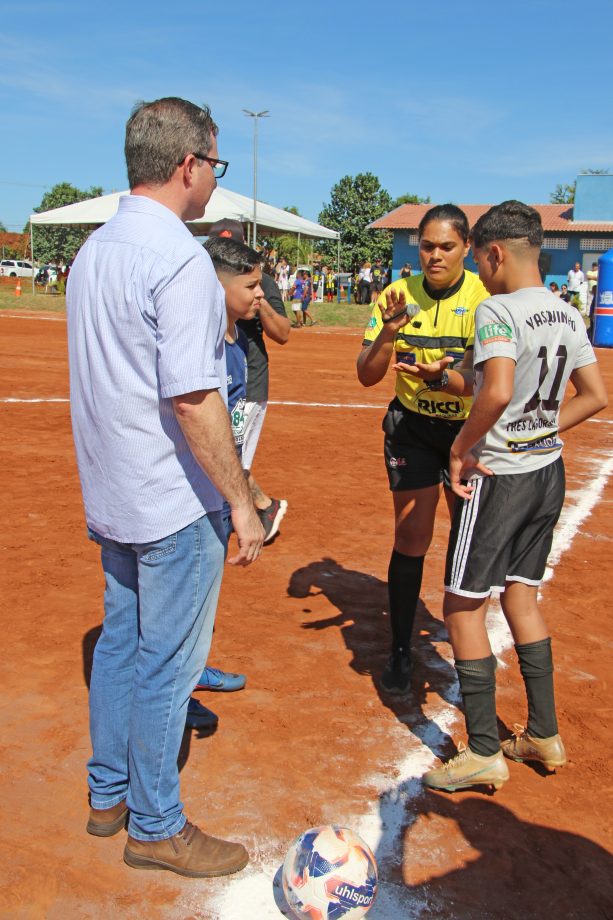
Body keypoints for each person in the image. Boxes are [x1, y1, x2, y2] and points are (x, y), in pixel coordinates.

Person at [67, 97, 263, 877]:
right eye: (214, 163)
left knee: (120, 645)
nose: (214, 177)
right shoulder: (179, 259)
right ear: (188, 164)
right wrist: (242, 504)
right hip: (172, 502)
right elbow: (193, 397)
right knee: (166, 665)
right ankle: (153, 824)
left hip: (112, 491)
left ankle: (107, 794)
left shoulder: (94, 250)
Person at [418, 200, 607, 792]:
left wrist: (461, 448)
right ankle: (544, 734)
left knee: (462, 606)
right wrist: (536, 432)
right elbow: (594, 396)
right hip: (547, 474)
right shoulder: (566, 311)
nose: (479, 273)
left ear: (494, 254)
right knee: (521, 599)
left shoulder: (496, 310)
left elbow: (496, 391)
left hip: (498, 479)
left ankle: (481, 751)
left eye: (477, 261)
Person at [356, 204, 489, 695]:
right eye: (427, 245)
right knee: (411, 537)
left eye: (447, 247)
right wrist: (389, 331)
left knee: (465, 535)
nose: (435, 256)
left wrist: (443, 377)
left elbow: (484, 382)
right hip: (412, 428)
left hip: (467, 434)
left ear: (467, 249)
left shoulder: (482, 298)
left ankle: (461, 635)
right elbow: (368, 375)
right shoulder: (396, 295)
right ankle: (400, 649)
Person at [186, 236, 266, 722]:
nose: (261, 294)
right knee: (188, 596)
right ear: (218, 287)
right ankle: (179, 690)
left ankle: (193, 669)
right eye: (251, 285)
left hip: (217, 490)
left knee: (204, 592)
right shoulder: (208, 342)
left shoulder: (237, 340)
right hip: (196, 493)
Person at [208, 219, 291, 542]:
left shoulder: (261, 283)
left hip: (249, 380)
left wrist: (256, 298)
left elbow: (283, 333)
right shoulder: (200, 278)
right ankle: (261, 504)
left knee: (232, 452)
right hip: (220, 370)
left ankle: (259, 507)